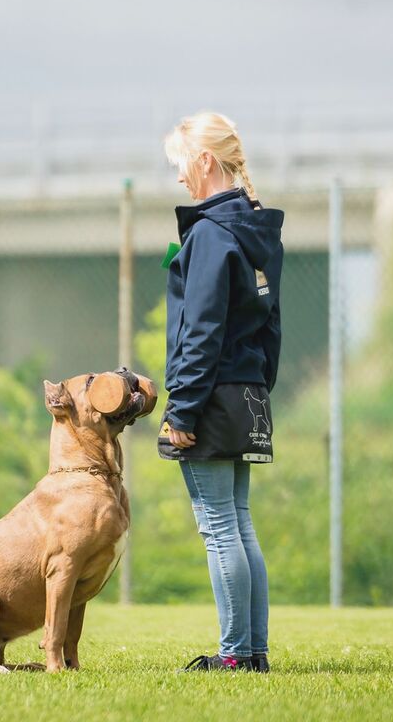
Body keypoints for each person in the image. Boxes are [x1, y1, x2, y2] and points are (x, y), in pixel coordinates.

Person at [159, 112, 283, 673]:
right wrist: (257, 387)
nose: (179, 177)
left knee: (218, 527)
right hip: (246, 391)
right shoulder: (257, 229)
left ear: (205, 160)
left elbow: (201, 329)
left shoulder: (211, 234)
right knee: (239, 521)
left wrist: (182, 410)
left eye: (182, 164)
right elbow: (270, 326)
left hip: (209, 395)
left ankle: (233, 656)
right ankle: (253, 653)